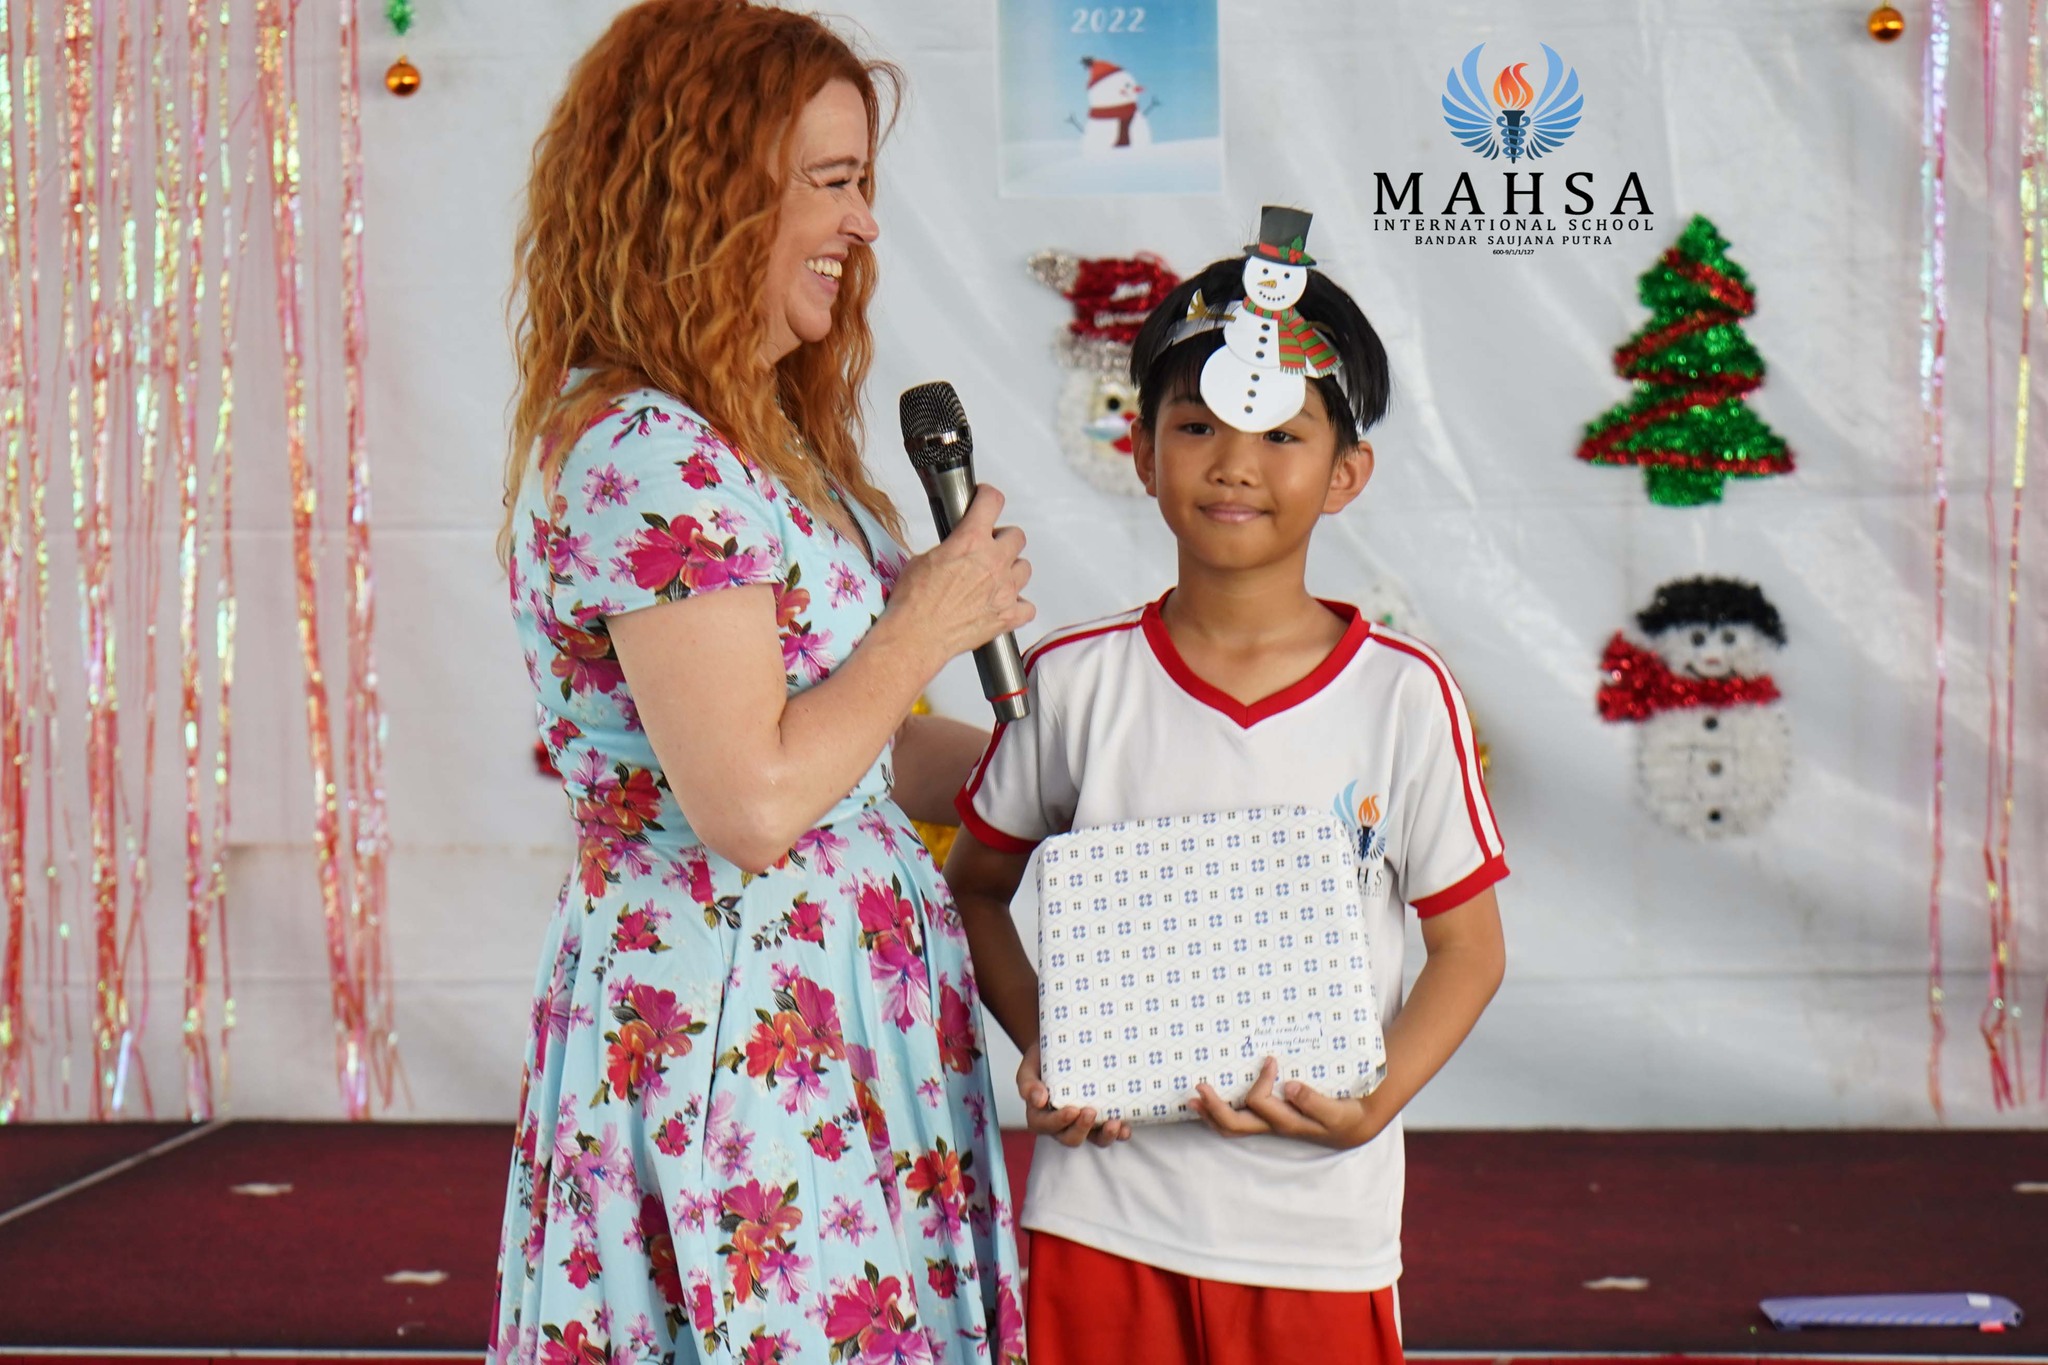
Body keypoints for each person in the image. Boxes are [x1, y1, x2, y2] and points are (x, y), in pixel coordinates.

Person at [492, 4, 1031, 1362]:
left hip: (839, 1014)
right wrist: (926, 620)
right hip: (737, 1033)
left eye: (865, 183)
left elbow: (858, 752)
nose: (864, 225)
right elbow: (753, 801)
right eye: (832, 182)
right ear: (706, 192)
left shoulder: (758, 437)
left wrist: (1054, 772)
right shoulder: (646, 452)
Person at [944, 213, 1509, 1365]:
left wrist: (1373, 1104)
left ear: (1345, 472)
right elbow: (975, 889)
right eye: (1196, 425)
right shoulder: (1073, 681)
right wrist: (1050, 1045)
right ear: (1140, 450)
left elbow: (1468, 948)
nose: (1234, 463)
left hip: (1316, 1233)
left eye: (1281, 433)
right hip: (1103, 1217)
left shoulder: (1402, 696)